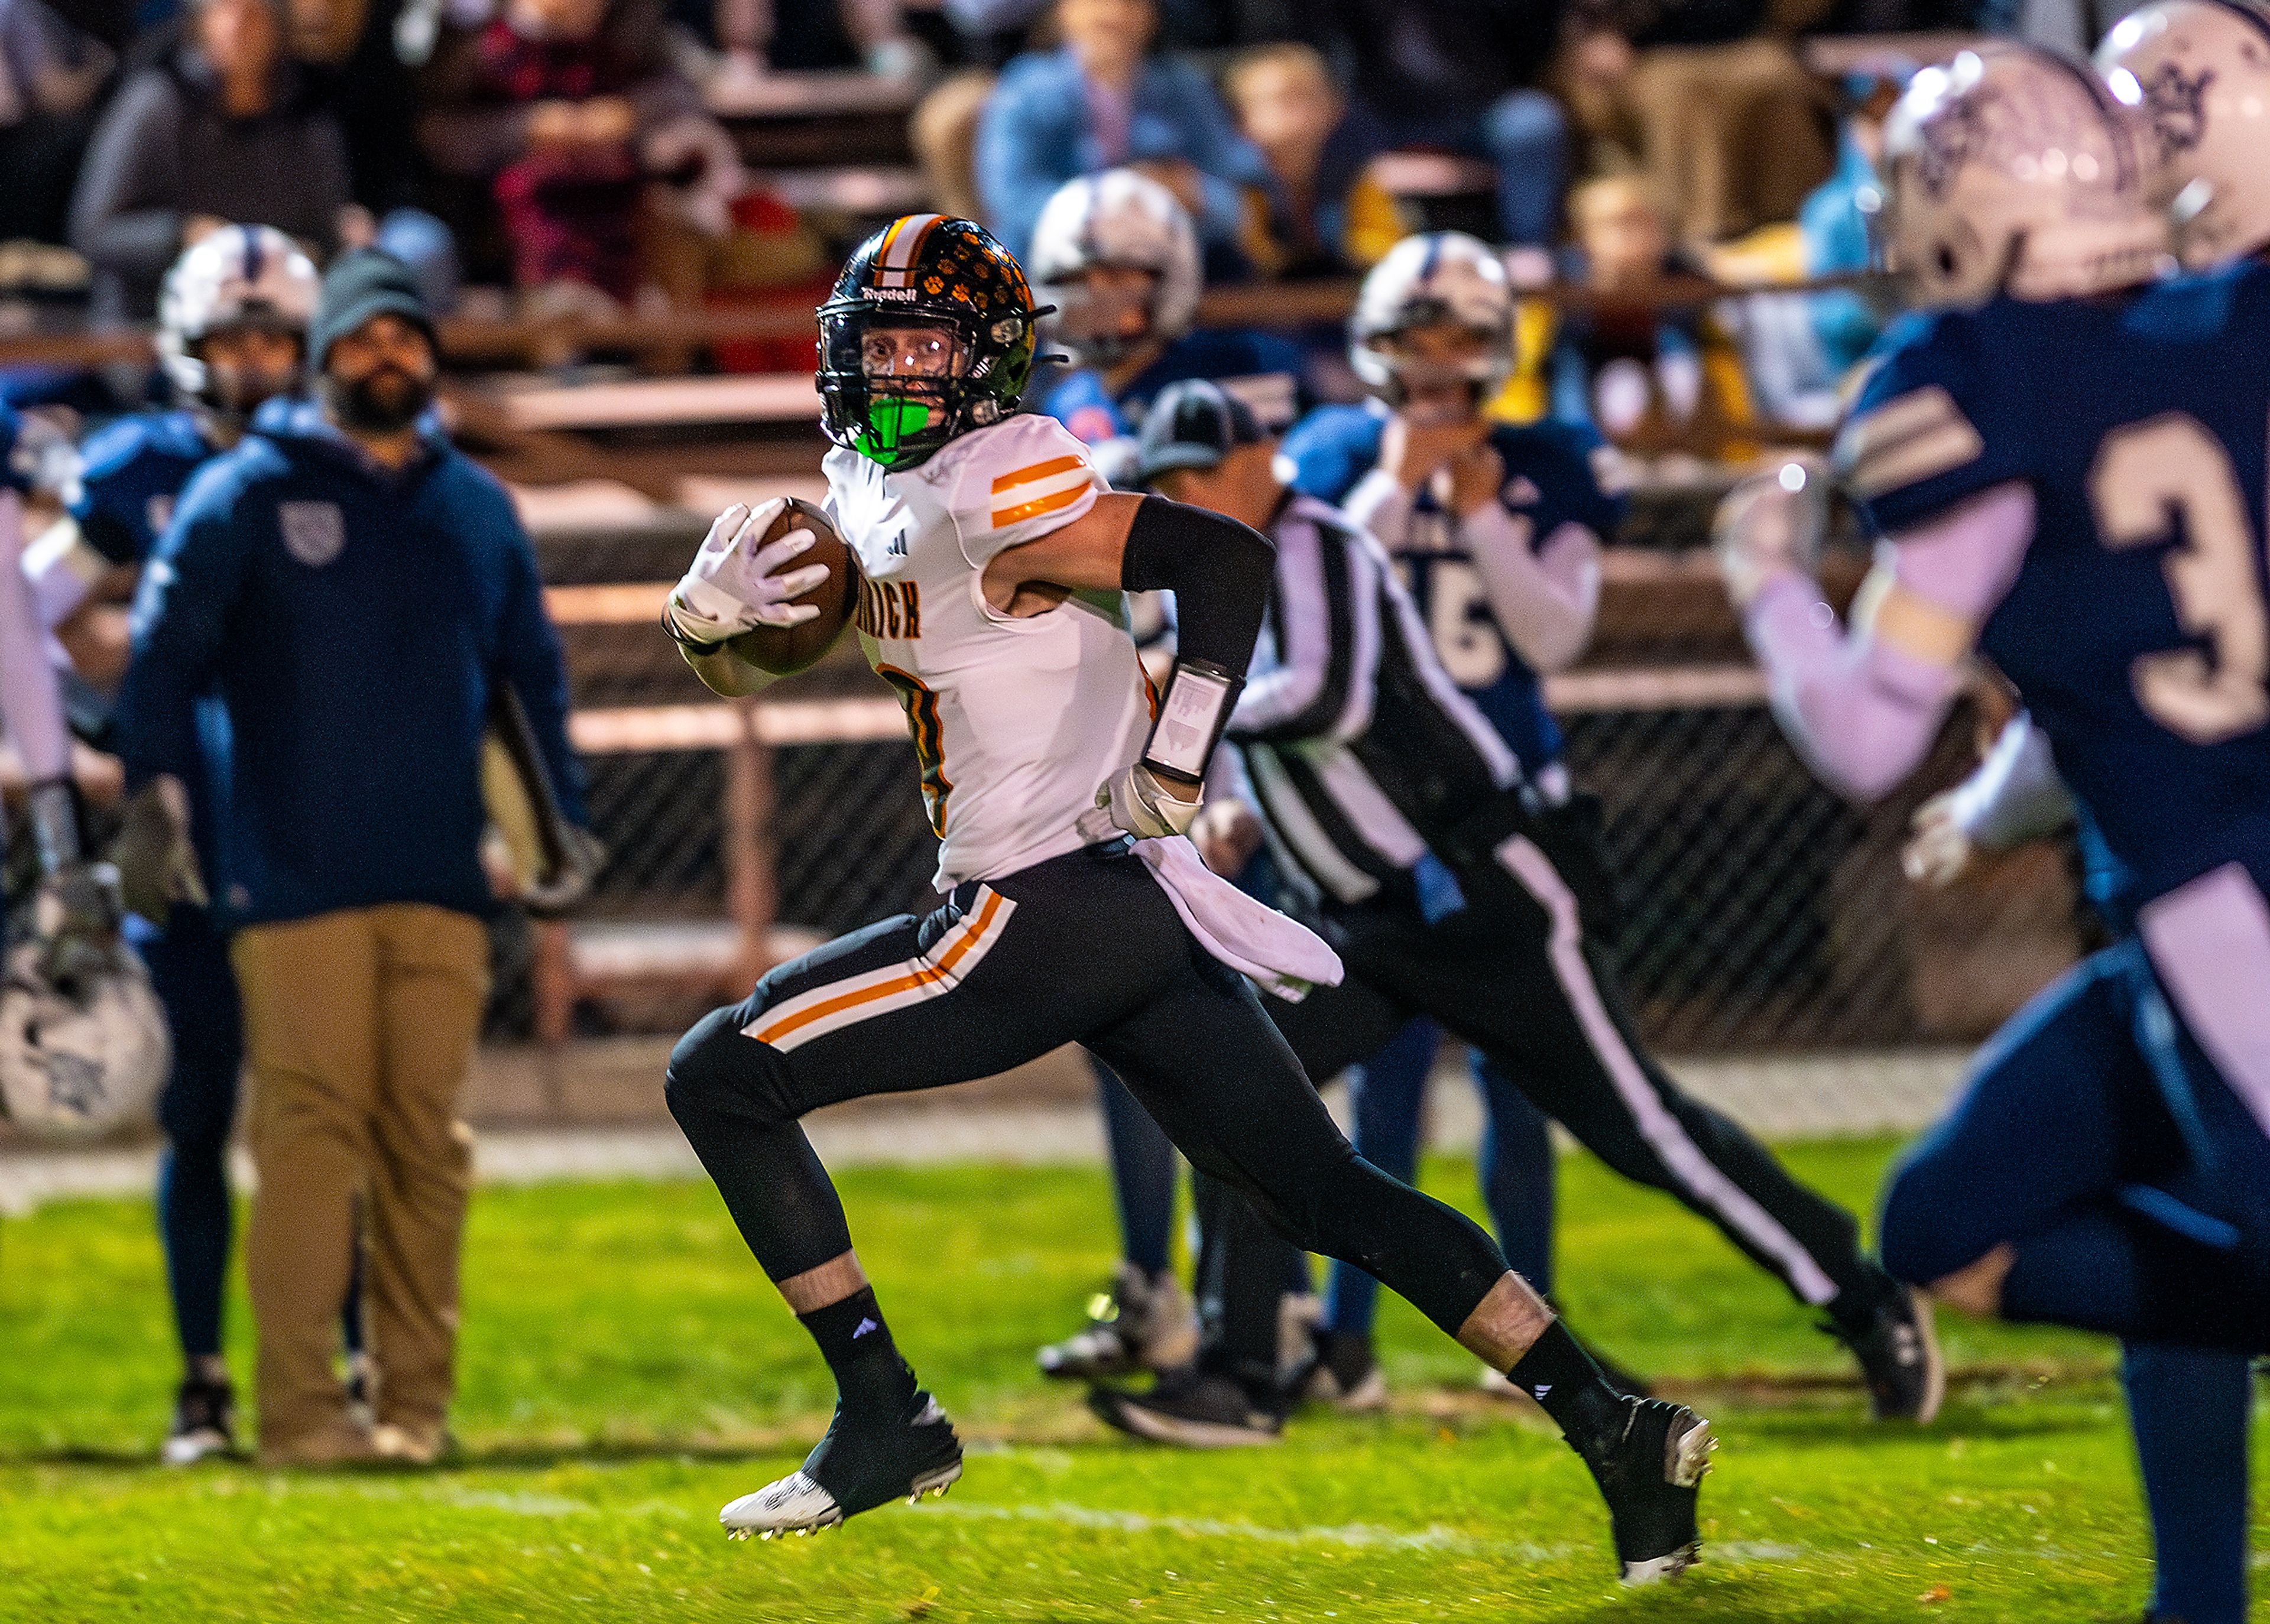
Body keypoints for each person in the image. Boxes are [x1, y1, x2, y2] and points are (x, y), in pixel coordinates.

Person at [657, 212, 1715, 1586]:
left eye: (928, 344)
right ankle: (1618, 1426)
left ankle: (882, 1411)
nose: (902, 371)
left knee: (718, 1074)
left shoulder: (997, 475)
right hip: (1113, 908)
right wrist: (701, 628)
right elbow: (766, 661)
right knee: (1321, 1193)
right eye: (879, 344)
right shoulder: (861, 485)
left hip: (1033, 907)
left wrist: (1179, 747)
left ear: (988, 359)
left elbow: (1223, 559)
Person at [1089, 373, 1935, 1448]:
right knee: (1241, 1087)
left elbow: (1332, 695)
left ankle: (1861, 1295)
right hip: (1365, 922)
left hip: (1486, 893)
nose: (1192, 498)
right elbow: (1288, 735)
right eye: (1173, 485)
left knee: (1643, 1131)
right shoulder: (1230, 572)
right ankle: (1241, 1370)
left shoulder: (1319, 542)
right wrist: (1237, 810)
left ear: (1259, 462)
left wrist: (1181, 700)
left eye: (1203, 474)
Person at [1713, 40, 2270, 1624]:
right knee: (1942, 1215)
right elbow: (2130, 642)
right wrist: (2016, 790)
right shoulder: (2211, 339)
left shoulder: (1982, 383)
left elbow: (1869, 726)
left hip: (2217, 901)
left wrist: (1767, 568)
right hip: (2177, 894)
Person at [114, 249, 592, 1467]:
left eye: (404, 337)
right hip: (291, 881)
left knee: (427, 1148)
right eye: (361, 338)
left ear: (428, 356)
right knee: (312, 1142)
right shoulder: (246, 495)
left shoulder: (476, 505)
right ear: (324, 357)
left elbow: (528, 680)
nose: (387, 356)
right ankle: (302, 1418)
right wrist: (155, 817)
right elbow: (160, 672)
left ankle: (414, 1411)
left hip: (441, 875)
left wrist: (557, 828)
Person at [17, 226, 373, 1465]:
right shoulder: (144, 468)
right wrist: (113, 691)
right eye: (237, 339)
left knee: (332, 1115)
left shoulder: (345, 463)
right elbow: (26, 614)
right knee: (196, 1113)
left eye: (278, 337)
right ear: (188, 344)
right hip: (186, 834)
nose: (260, 361)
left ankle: (351, 1365)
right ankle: (204, 1383)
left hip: (316, 830)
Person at [67, 0, 352, 324]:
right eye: (225, 9)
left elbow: (327, 235)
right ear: (200, 21)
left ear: (278, 28)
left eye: (254, 14)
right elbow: (93, 232)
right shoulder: (155, 104)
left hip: (274, 330)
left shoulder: (306, 117)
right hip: (152, 323)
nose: (238, 26)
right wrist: (184, 236)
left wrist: (299, 253)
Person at [1027, 168, 1314, 450]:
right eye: (1077, 280)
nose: (1097, 298)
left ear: (1173, 276)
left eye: (1117, 277)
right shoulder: (1067, 401)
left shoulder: (1243, 364)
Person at [974, 0, 1270, 269]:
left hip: (1174, 268)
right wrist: (1112, 204)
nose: (1114, 12)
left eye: (1130, 4)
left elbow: (1238, 194)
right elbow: (1011, 198)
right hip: (1053, 269)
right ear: (1064, 12)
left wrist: (1195, 192)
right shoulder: (1025, 90)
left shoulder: (1183, 88)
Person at [1219, 43, 1400, 281]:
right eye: (1277, 100)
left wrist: (1344, 250)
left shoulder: (1354, 174)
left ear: (1335, 107)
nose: (1296, 112)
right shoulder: (1235, 183)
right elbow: (1249, 251)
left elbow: (1387, 245)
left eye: (1306, 96)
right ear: (1240, 118)